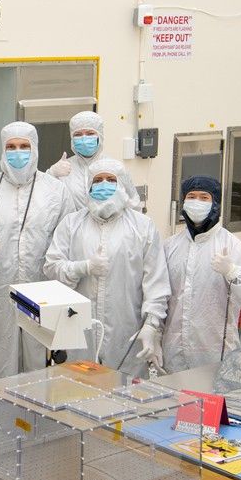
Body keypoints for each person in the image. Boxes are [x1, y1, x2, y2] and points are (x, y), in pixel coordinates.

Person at [0, 122, 75, 379]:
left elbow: (68, 243)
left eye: (24, 146)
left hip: (43, 294)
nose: (18, 152)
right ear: (2, 151)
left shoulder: (56, 191)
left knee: (40, 369)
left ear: (34, 149)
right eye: (11, 147)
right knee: (0, 368)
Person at [44, 158, 170, 377]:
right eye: (98, 180)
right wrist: (83, 268)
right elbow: (52, 267)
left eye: (110, 180)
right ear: (89, 187)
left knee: (124, 396)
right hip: (78, 331)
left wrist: (151, 325)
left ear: (123, 185)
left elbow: (155, 282)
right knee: (79, 393)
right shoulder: (71, 224)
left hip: (127, 333)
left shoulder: (142, 227)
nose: (103, 185)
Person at [162, 176, 241, 373]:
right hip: (174, 355)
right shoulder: (171, 246)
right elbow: (161, 297)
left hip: (215, 355)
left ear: (215, 204)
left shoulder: (231, 246)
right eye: (191, 197)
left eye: (204, 198)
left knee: (213, 402)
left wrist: (234, 272)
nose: (197, 202)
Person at [47, 111, 141, 211]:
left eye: (90, 133)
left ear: (99, 136)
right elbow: (46, 204)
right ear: (72, 139)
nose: (84, 139)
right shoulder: (63, 169)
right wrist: (51, 174)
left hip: (111, 226)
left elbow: (134, 206)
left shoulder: (115, 168)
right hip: (73, 226)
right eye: (78, 134)